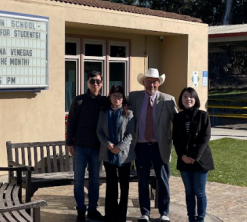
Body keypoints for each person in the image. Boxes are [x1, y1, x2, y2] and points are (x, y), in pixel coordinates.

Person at [127, 68, 178, 222]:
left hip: (159, 146)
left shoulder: (168, 99)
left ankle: (164, 212)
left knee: (162, 180)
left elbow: (178, 122)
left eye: (155, 82)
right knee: (142, 180)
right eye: (148, 81)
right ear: (144, 83)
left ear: (159, 83)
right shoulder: (134, 98)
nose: (151, 84)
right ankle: (145, 213)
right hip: (141, 146)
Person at [66, 71, 107, 222]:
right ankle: (81, 209)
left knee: (95, 180)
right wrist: (70, 142)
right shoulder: (79, 101)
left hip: (97, 148)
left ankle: (92, 209)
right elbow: (71, 122)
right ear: (87, 83)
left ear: (101, 83)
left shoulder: (104, 101)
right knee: (78, 180)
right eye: (92, 81)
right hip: (81, 147)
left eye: (97, 81)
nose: (95, 84)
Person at [172, 87, 214, 222]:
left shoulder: (203, 115)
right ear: (181, 99)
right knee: (189, 192)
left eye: (191, 96)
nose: (188, 99)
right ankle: (191, 217)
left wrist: (195, 156)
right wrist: (182, 155)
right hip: (184, 160)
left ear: (195, 99)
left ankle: (200, 218)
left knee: (200, 192)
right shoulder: (177, 117)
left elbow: (205, 137)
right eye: (185, 96)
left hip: (200, 161)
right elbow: (176, 139)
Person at [96, 85, 136, 222]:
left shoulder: (128, 113)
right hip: (108, 154)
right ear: (110, 98)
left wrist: (119, 147)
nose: (117, 98)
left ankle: (121, 216)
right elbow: (99, 131)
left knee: (124, 186)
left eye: (119, 96)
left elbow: (130, 133)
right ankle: (110, 215)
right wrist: (108, 144)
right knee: (111, 185)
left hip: (124, 156)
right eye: (114, 96)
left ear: (123, 98)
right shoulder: (104, 112)